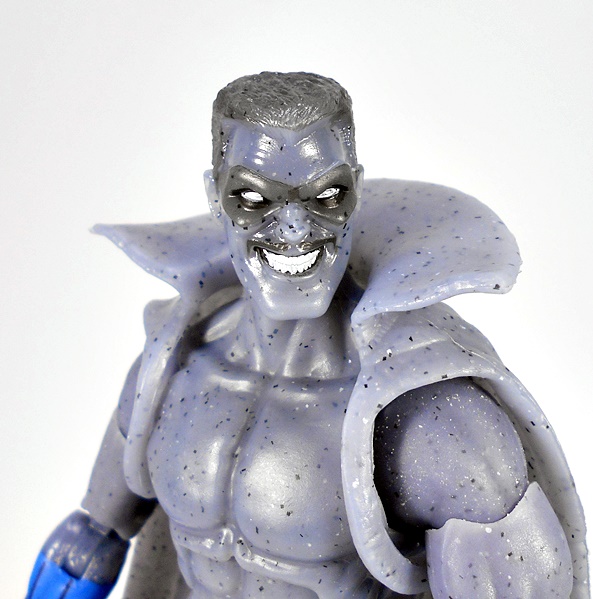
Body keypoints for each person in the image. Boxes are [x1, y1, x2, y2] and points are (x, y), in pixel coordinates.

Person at [27, 72, 588, 598]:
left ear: (355, 192)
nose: (294, 228)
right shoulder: (171, 370)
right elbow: (85, 544)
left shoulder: (426, 417)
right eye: (254, 200)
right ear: (214, 195)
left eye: (326, 197)